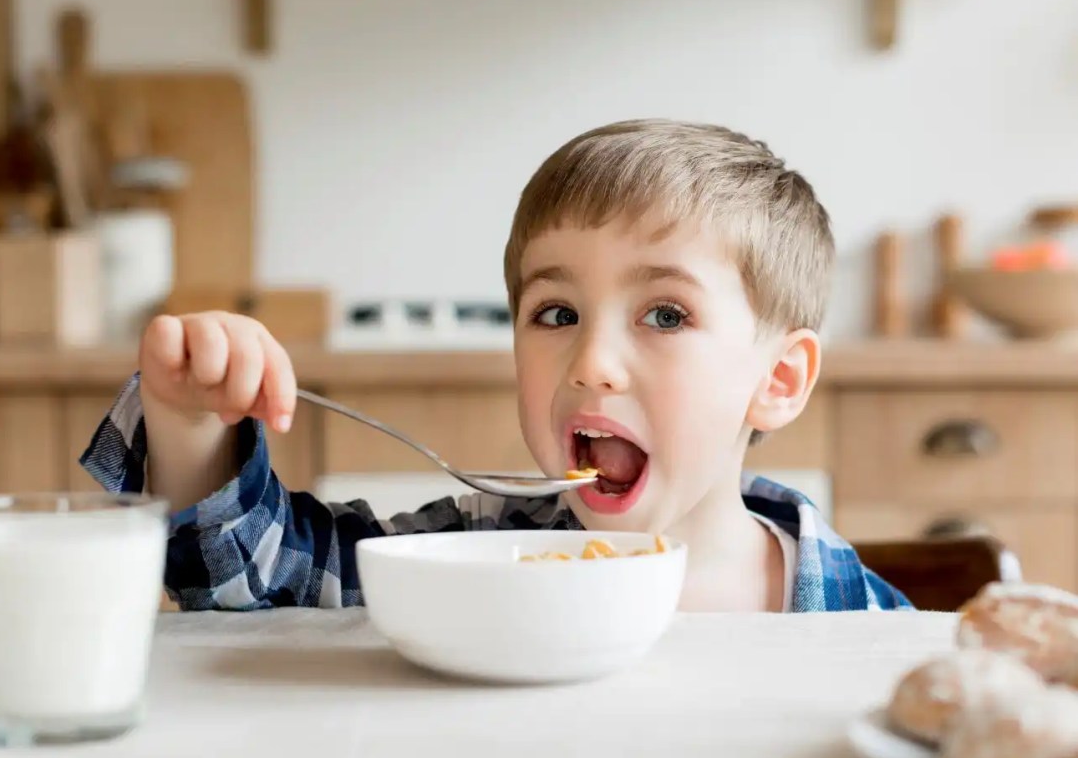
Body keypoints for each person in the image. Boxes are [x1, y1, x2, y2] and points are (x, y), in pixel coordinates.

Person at [82, 119, 910, 613]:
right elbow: (258, 588)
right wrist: (191, 419)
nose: (592, 364)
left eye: (665, 314)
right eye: (557, 314)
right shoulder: (482, 553)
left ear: (780, 380)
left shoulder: (866, 623)